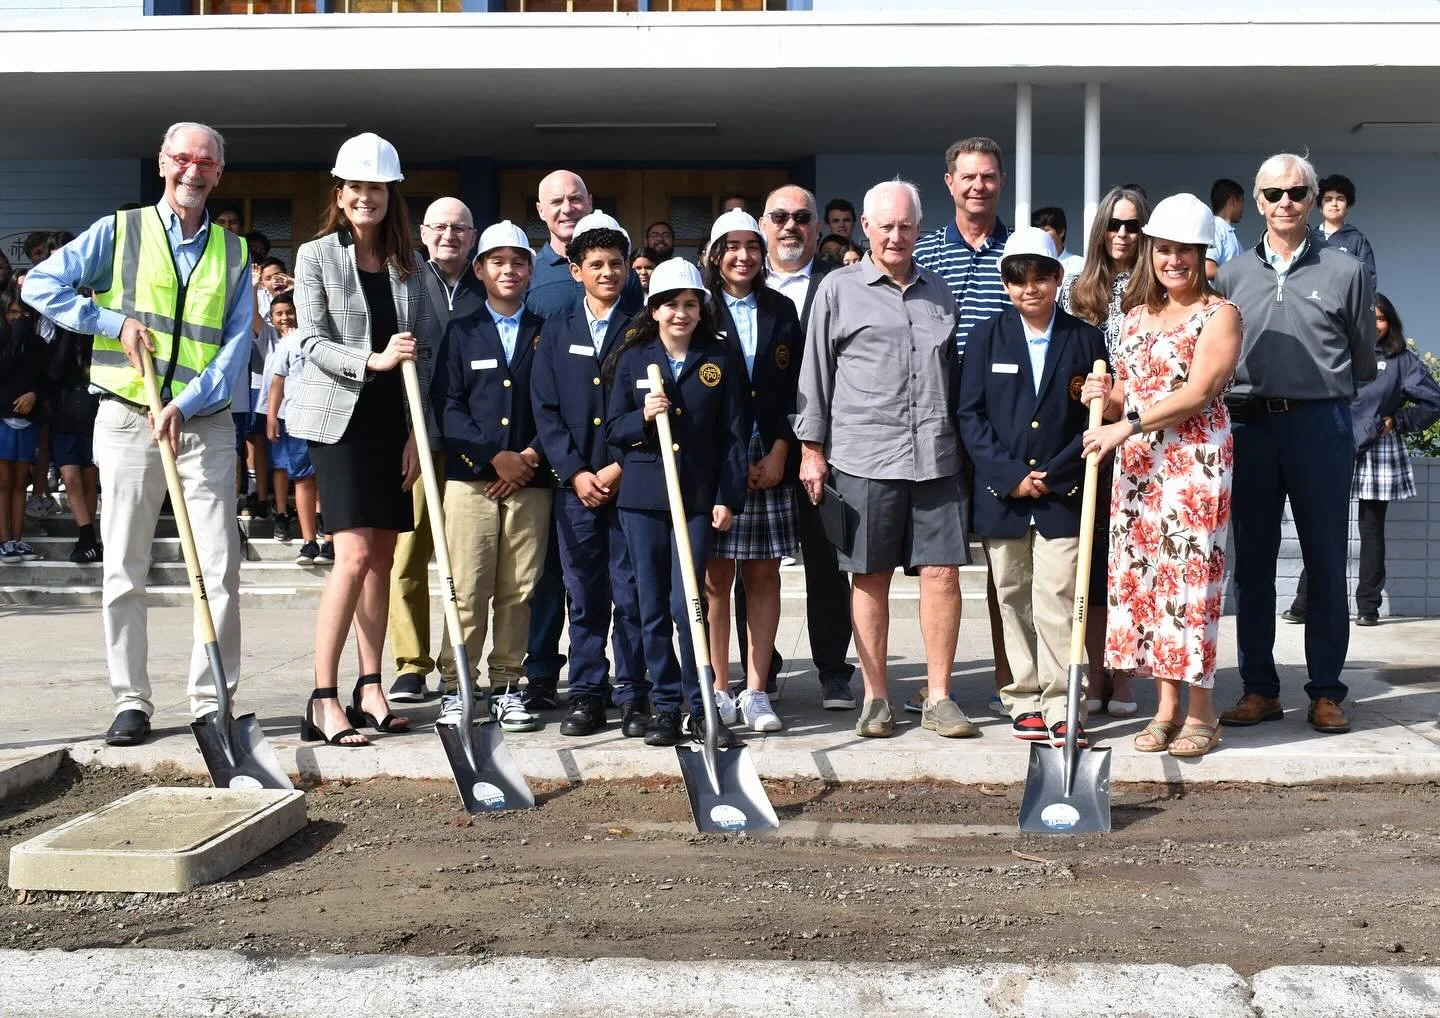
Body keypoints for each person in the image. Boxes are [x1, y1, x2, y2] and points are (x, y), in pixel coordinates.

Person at [22, 121, 254, 747]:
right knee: (124, 564)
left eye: (205, 162)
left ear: (218, 174)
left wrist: (187, 400)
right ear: (162, 164)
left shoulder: (234, 253)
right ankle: (131, 699)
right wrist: (107, 319)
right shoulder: (120, 231)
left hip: (203, 424)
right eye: (182, 159)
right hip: (128, 417)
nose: (193, 171)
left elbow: (235, 347)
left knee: (219, 566)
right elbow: (40, 285)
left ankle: (213, 701)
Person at [793, 180, 974, 740]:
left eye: (906, 226)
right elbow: (814, 376)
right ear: (865, 228)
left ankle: (940, 696)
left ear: (920, 229)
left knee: (942, 575)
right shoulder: (837, 291)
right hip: (863, 457)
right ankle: (876, 697)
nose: (896, 236)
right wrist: (811, 450)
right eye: (886, 226)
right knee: (868, 577)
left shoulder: (941, 293)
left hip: (937, 458)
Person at [1214, 153, 1376, 737]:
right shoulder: (1228, 277)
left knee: (1328, 561)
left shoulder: (1346, 271)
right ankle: (1258, 687)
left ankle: (1327, 691)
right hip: (1250, 427)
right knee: (1252, 566)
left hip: (1318, 428)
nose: (1286, 201)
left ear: (1313, 200)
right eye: (1274, 192)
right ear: (1257, 201)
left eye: (1297, 192)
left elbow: (1361, 358)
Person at [286, 132, 436, 747]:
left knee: (382, 559)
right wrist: (370, 361)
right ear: (340, 194)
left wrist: (413, 433)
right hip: (339, 422)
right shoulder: (316, 256)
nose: (365, 197)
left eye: (376, 187)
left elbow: (422, 358)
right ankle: (323, 696)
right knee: (350, 557)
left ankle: (370, 687)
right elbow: (310, 340)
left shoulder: (410, 263)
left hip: (389, 426)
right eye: (355, 188)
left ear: (389, 194)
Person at [1079, 193, 1241, 759]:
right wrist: (1103, 393)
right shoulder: (1134, 315)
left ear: (1202, 255)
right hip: (1140, 469)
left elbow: (1197, 393)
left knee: (1190, 586)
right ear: (1150, 252)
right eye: (1164, 249)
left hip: (1193, 466)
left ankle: (1202, 712)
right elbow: (1131, 387)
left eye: (1185, 252)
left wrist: (1126, 424)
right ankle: (1166, 711)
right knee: (1147, 586)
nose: (1173, 260)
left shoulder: (1219, 314)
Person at [955, 227, 1108, 744]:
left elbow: (1093, 417)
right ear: (1005, 284)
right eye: (1018, 280)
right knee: (1013, 596)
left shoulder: (1085, 337)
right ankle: (1023, 698)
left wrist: (1054, 475)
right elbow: (970, 417)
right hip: (1003, 496)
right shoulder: (984, 336)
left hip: (1063, 493)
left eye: (1039, 278)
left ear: (1057, 278)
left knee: (1059, 596)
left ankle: (1065, 702)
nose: (1029, 289)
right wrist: (1010, 476)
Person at [606, 257, 749, 747]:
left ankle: (699, 703)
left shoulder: (720, 359)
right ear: (654, 309)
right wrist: (643, 417)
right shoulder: (633, 358)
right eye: (671, 305)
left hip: (696, 498)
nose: (681, 313)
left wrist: (728, 497)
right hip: (645, 497)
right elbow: (612, 430)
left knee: (688, 603)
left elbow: (734, 435)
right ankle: (664, 706)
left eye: (690, 304)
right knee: (650, 606)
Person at [523, 171, 642, 711]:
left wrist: (617, 467)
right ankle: (589, 689)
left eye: (616, 263)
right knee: (584, 593)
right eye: (595, 264)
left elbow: (652, 407)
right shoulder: (559, 330)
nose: (607, 272)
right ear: (576, 271)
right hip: (575, 488)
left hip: (632, 483)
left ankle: (635, 687)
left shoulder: (644, 328)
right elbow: (545, 410)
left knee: (631, 590)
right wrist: (574, 472)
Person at [431, 220, 552, 733]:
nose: (510, 270)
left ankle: (506, 683)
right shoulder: (461, 332)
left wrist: (526, 459)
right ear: (479, 269)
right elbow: (448, 407)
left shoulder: (549, 331)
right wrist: (492, 458)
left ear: (531, 270)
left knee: (519, 586)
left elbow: (560, 405)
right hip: (470, 481)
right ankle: (456, 682)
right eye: (498, 261)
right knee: (468, 583)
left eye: (519, 261)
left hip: (531, 479)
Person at [913, 135, 1014, 718]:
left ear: (1001, 182)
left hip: (1005, 431)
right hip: (941, 430)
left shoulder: (1021, 254)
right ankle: (938, 688)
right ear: (949, 184)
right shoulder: (925, 256)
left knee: (1007, 568)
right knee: (941, 565)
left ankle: (1012, 683)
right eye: (968, 177)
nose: (979, 186)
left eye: (989, 176)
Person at [756, 186, 857, 709]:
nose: (790, 226)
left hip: (830, 446)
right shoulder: (739, 285)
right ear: (762, 224)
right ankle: (761, 669)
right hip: (760, 448)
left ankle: (833, 670)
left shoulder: (840, 284)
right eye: (779, 217)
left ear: (819, 229)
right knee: (754, 566)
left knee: (827, 562)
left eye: (802, 218)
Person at [701, 209, 801, 735]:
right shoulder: (697, 307)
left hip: (770, 457)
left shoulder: (782, 309)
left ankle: (757, 689)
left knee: (762, 573)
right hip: (718, 460)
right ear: (716, 255)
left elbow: (795, 389)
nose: (743, 256)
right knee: (717, 578)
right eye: (731, 246)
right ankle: (719, 687)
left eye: (752, 246)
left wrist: (783, 449)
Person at [1285, 293, 1440, 627]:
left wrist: (1397, 421)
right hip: (1333, 443)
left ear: (1391, 322)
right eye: (1368, 317)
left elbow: (1433, 401)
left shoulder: (1403, 360)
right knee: (1325, 526)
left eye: (1381, 318)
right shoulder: (1337, 352)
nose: (1374, 325)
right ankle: (1304, 602)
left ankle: (1368, 606)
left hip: (1377, 450)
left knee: (1371, 530)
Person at [1058, 185, 1151, 716]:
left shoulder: (1157, 287)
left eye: (1132, 225)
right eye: (1113, 225)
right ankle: (1095, 673)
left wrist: (1124, 405)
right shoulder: (1076, 288)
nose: (1122, 235)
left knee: (1129, 565)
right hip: (1088, 439)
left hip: (1140, 438)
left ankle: (1125, 675)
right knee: (1092, 567)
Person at [386, 196, 479, 704]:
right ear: (423, 232)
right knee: (409, 555)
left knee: (466, 563)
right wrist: (406, 433)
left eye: (460, 228)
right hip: (416, 440)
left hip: (471, 446)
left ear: (473, 234)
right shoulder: (404, 282)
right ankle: (411, 663)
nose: (449, 235)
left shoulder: (487, 285)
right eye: (440, 227)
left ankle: (457, 663)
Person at [264, 291, 329, 563]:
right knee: (302, 480)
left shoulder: (329, 336)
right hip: (297, 420)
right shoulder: (289, 342)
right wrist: (272, 416)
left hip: (328, 418)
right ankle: (308, 541)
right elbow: (278, 380)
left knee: (328, 480)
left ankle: (331, 541)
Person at [43, 312, 101, 563]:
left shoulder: (95, 335)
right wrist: (67, 334)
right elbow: (53, 373)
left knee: (89, 478)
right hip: (63, 415)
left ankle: (90, 538)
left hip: (90, 414)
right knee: (71, 478)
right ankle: (85, 535)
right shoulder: (54, 333)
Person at [0, 302, 46, 565]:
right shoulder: (5, 343)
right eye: (13, 314)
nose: (19, 320)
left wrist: (34, 394)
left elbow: (46, 378)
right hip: (3, 419)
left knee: (20, 482)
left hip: (28, 421)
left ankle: (16, 538)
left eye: (24, 314)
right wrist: (14, 343)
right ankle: (4, 540)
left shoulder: (37, 345)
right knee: (3, 483)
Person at [1315, 173, 1377, 285]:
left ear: (1348, 207)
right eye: (1328, 199)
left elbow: (1368, 280)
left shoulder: (1357, 240)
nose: (1334, 204)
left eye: (1340, 199)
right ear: (1320, 207)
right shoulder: (1310, 238)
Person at [1205, 178, 1244, 280]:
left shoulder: (1228, 232)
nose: (1243, 207)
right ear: (1232, 201)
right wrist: (1244, 273)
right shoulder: (1215, 229)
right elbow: (1208, 270)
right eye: (1241, 201)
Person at [1031, 206, 1086, 277]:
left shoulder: (1079, 265)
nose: (1040, 235)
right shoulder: (1028, 265)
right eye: (1036, 231)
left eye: (1045, 230)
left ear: (1061, 232)